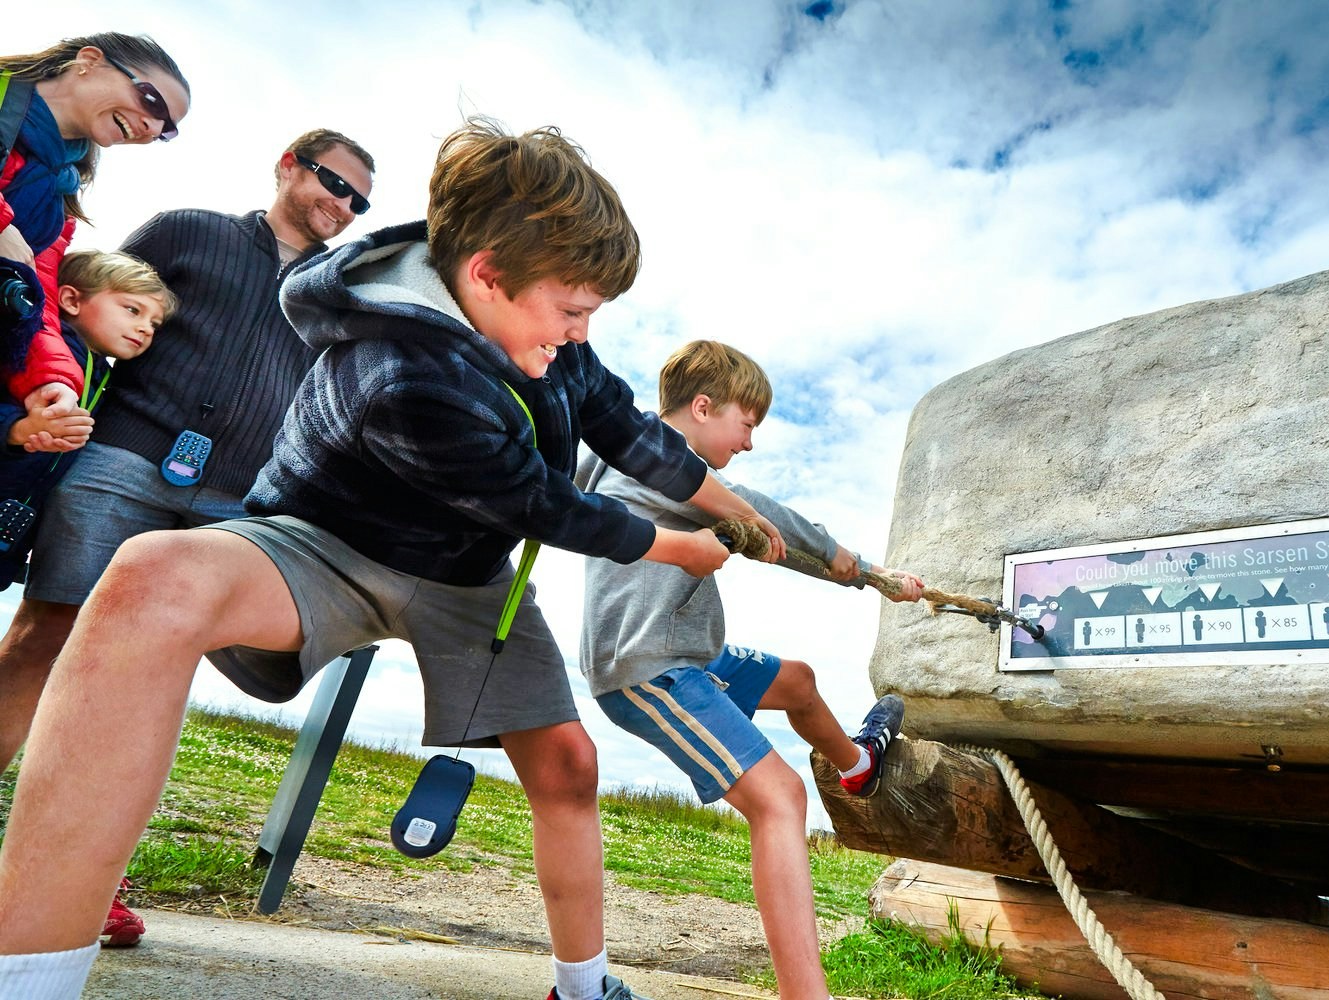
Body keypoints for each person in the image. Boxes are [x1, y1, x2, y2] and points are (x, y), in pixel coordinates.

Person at [0, 118, 785, 1000]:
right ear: (487, 273)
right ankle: (30, 977)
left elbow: (625, 427)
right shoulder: (399, 369)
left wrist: (738, 511)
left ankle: (585, 984)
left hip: (467, 574)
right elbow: (541, 502)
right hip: (327, 542)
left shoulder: (548, 332)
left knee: (569, 763)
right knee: (149, 579)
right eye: (572, 311)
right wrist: (679, 545)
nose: (578, 332)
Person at [0, 126, 375, 947]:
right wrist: (49, 393)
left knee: (139, 681)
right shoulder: (188, 230)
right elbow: (82, 297)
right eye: (332, 181)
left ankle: (84, 879)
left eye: (358, 200)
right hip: (123, 459)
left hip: (239, 501)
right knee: (46, 635)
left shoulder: (340, 291)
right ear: (287, 164)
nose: (342, 205)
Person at [576, 339, 924, 1000]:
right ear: (702, 407)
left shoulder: (641, 460)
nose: (750, 440)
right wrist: (859, 568)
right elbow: (760, 513)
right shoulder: (657, 461)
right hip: (650, 671)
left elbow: (754, 528)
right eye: (748, 423)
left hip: (691, 656)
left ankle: (857, 767)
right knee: (780, 797)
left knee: (797, 679)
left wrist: (858, 574)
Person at [0, 33, 189, 443]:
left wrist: (53, 381)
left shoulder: (61, 196)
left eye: (165, 129)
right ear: (89, 61)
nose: (151, 127)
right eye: (152, 102)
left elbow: (37, 300)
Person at [0, 249, 177, 591]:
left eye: (154, 324)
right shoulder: (32, 345)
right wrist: (18, 430)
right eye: (132, 310)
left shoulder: (103, 376)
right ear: (71, 300)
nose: (145, 328)